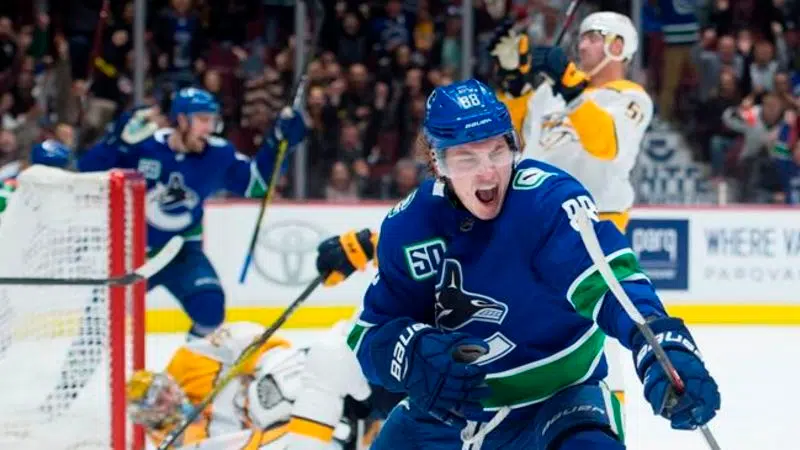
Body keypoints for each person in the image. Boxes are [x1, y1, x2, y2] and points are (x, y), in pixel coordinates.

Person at [345, 79, 719, 449]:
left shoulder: (547, 201)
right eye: (467, 158)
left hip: (560, 404)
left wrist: (660, 342)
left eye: (497, 151)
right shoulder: (409, 227)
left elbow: (611, 284)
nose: (487, 172)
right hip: (451, 411)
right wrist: (411, 353)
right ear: (436, 161)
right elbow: (369, 336)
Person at [78, 87, 306, 339]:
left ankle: (188, 365)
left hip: (182, 252)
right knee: (97, 326)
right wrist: (115, 142)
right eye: (202, 119)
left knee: (210, 310)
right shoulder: (143, 145)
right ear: (182, 119)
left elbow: (257, 184)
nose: (209, 128)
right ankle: (77, 366)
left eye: (212, 120)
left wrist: (278, 144)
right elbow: (86, 172)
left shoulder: (218, 154)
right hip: (132, 252)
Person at [491, 12, 652, 231]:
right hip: (536, 217)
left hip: (595, 220)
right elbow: (519, 140)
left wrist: (570, 87)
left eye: (593, 38)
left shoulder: (631, 98)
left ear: (617, 46)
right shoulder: (550, 92)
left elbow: (605, 144)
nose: (582, 46)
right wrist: (514, 85)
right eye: (582, 39)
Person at [126, 321, 370, 449]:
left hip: (278, 384)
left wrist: (262, 366)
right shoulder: (178, 444)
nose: (170, 398)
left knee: (270, 392)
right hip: (274, 434)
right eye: (160, 402)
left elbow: (240, 337)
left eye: (166, 389)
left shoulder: (187, 361)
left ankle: (359, 369)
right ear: (149, 418)